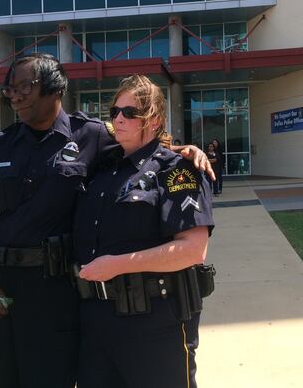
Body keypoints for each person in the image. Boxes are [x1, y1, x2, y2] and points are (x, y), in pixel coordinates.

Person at [0, 54, 213, 388]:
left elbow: (141, 147)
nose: (14, 95)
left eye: (24, 87)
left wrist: (184, 152)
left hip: (57, 293)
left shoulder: (91, 136)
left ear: (54, 89)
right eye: (9, 88)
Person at [74, 75, 214, 388]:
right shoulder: (101, 170)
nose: (118, 119)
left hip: (155, 325)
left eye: (129, 113)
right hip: (96, 323)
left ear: (154, 120)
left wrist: (117, 265)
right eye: (114, 113)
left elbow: (193, 249)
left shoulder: (177, 170)